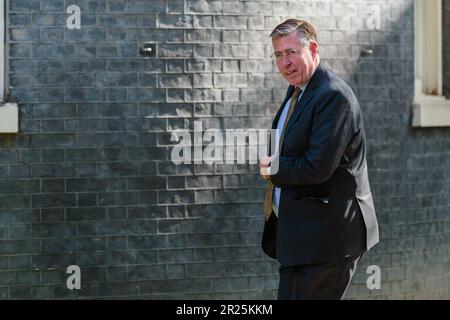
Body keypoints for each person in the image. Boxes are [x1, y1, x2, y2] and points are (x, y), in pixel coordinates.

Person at [259, 19, 379, 300]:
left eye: (291, 52)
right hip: (301, 239)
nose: (284, 62)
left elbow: (317, 166)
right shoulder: (297, 92)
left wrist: (272, 170)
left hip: (327, 240)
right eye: (278, 55)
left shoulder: (333, 96)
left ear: (312, 49)